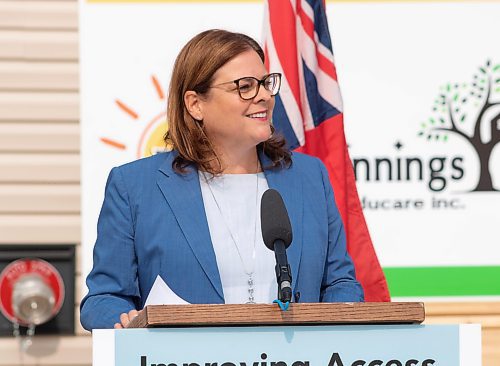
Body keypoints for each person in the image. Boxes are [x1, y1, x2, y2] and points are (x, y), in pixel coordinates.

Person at [80, 29, 364, 331]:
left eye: (266, 83)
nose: (265, 96)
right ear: (195, 104)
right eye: (245, 86)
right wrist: (125, 322)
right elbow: (103, 299)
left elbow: (340, 282)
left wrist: (343, 316)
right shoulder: (135, 186)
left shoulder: (309, 177)